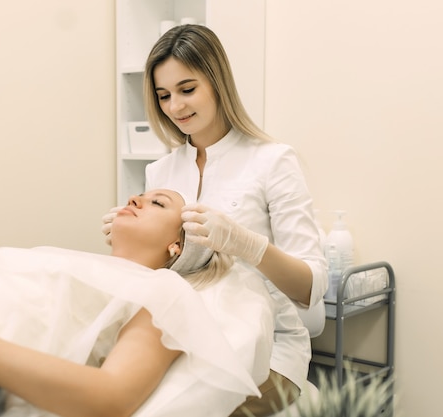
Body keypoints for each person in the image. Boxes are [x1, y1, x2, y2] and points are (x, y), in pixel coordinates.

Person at [0, 189, 275, 417]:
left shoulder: (167, 295)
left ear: (179, 246)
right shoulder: (73, 265)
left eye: (158, 202)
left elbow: (112, 398)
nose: (136, 197)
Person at [102, 25, 328, 417]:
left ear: (217, 82)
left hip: (270, 349)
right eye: (164, 96)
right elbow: (159, 276)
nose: (175, 107)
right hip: (183, 340)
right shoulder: (160, 173)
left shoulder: (273, 161)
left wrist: (249, 246)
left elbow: (311, 288)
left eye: (187, 90)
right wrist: (127, 244)